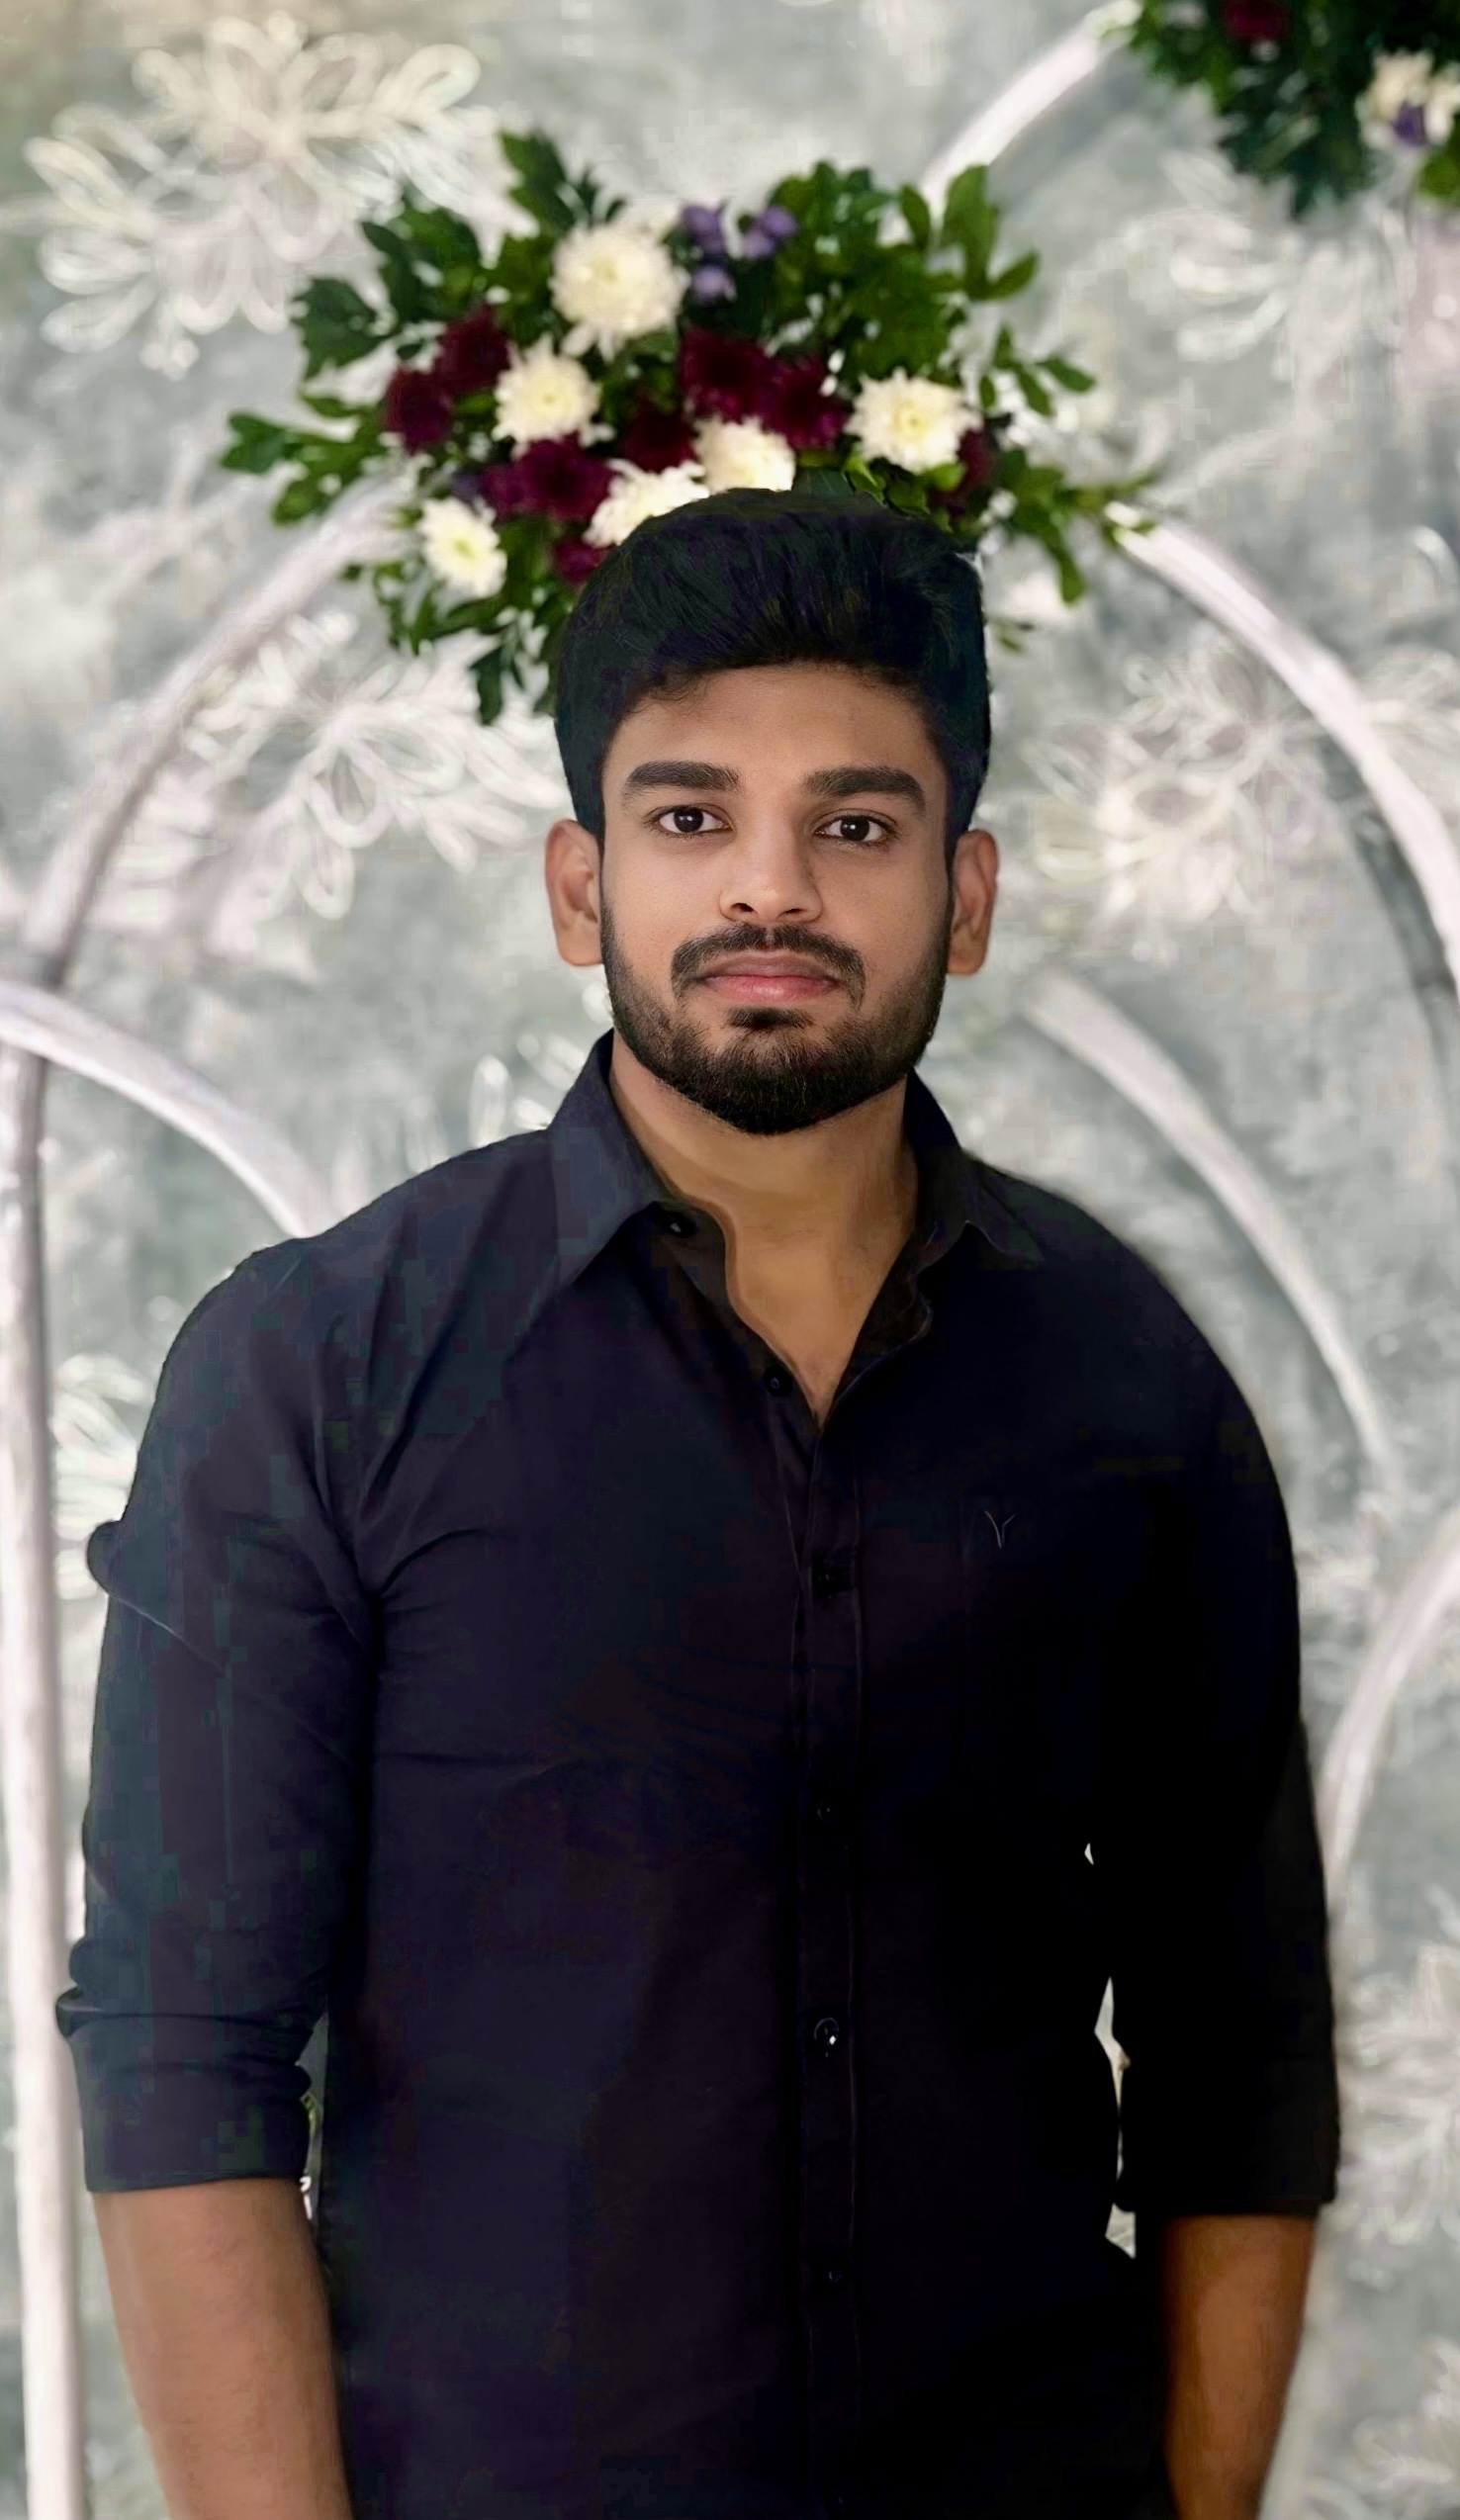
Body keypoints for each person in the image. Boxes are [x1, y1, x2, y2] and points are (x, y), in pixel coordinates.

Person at [57, 488, 1339, 2520]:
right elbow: (182, 2056)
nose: (771, 887)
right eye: (688, 816)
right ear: (581, 885)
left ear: (967, 892)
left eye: (856, 824)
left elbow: (1237, 2051)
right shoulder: (322, 1365)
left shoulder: (1129, 1377)